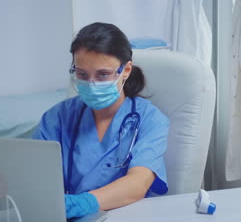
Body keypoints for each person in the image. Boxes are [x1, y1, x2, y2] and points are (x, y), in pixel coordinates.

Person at [33, 22, 169, 219]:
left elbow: (138, 183)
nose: (92, 83)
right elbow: (34, 178)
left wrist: (81, 203)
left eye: (103, 74)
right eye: (82, 74)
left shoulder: (150, 119)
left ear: (126, 70)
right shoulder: (57, 118)